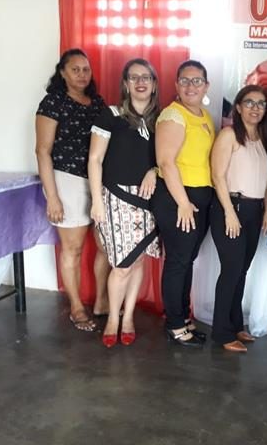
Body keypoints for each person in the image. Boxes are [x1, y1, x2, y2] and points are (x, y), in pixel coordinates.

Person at [35, 48, 111, 331]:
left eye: (86, 69)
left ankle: (101, 301)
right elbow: (42, 151)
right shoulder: (53, 102)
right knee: (73, 248)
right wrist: (52, 197)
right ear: (63, 73)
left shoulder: (97, 102)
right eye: (75, 69)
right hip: (66, 180)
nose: (81, 74)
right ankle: (77, 307)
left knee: (106, 245)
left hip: (98, 179)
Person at [88, 58, 161, 348]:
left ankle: (128, 316)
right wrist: (96, 201)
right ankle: (112, 319)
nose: (140, 82)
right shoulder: (111, 115)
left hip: (150, 199)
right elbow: (95, 159)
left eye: (146, 77)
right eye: (134, 77)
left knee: (138, 259)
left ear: (154, 84)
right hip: (116, 197)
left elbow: (170, 158)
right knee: (121, 265)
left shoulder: (162, 119)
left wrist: (154, 171)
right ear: (126, 84)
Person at [153, 60, 215, 348]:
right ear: (177, 85)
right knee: (178, 261)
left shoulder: (204, 116)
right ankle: (175, 325)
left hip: (198, 197)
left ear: (206, 86)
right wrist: (183, 203)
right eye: (185, 81)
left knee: (186, 259)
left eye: (197, 81)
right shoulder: (173, 115)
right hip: (178, 198)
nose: (191, 86)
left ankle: (183, 317)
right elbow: (166, 162)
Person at [210, 85, 267, 353]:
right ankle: (222, 333)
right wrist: (229, 212)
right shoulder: (228, 135)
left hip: (254, 210)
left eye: (261, 103)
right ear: (238, 107)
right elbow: (217, 176)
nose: (255, 108)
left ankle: (235, 325)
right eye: (249, 102)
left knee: (242, 270)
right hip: (230, 207)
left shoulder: (263, 138)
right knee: (231, 270)